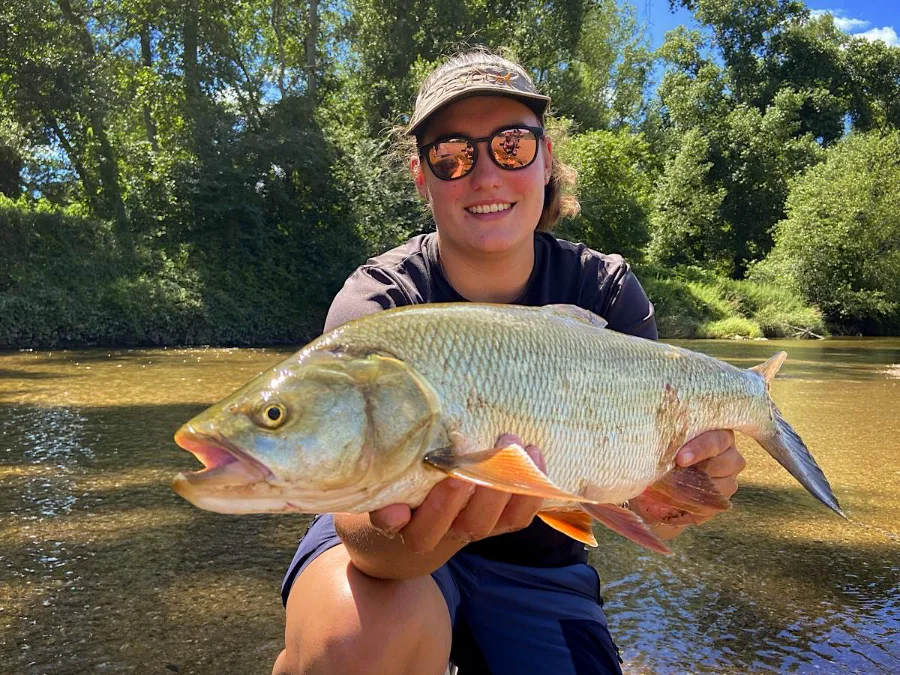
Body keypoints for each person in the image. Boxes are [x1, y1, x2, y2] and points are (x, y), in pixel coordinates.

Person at [272, 50, 746, 675]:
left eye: (512, 146)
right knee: (353, 647)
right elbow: (362, 529)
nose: (485, 175)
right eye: (451, 155)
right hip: (387, 564)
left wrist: (679, 491)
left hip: (541, 566)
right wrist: (420, 538)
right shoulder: (380, 302)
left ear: (547, 159)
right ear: (421, 175)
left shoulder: (604, 290)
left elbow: (643, 492)